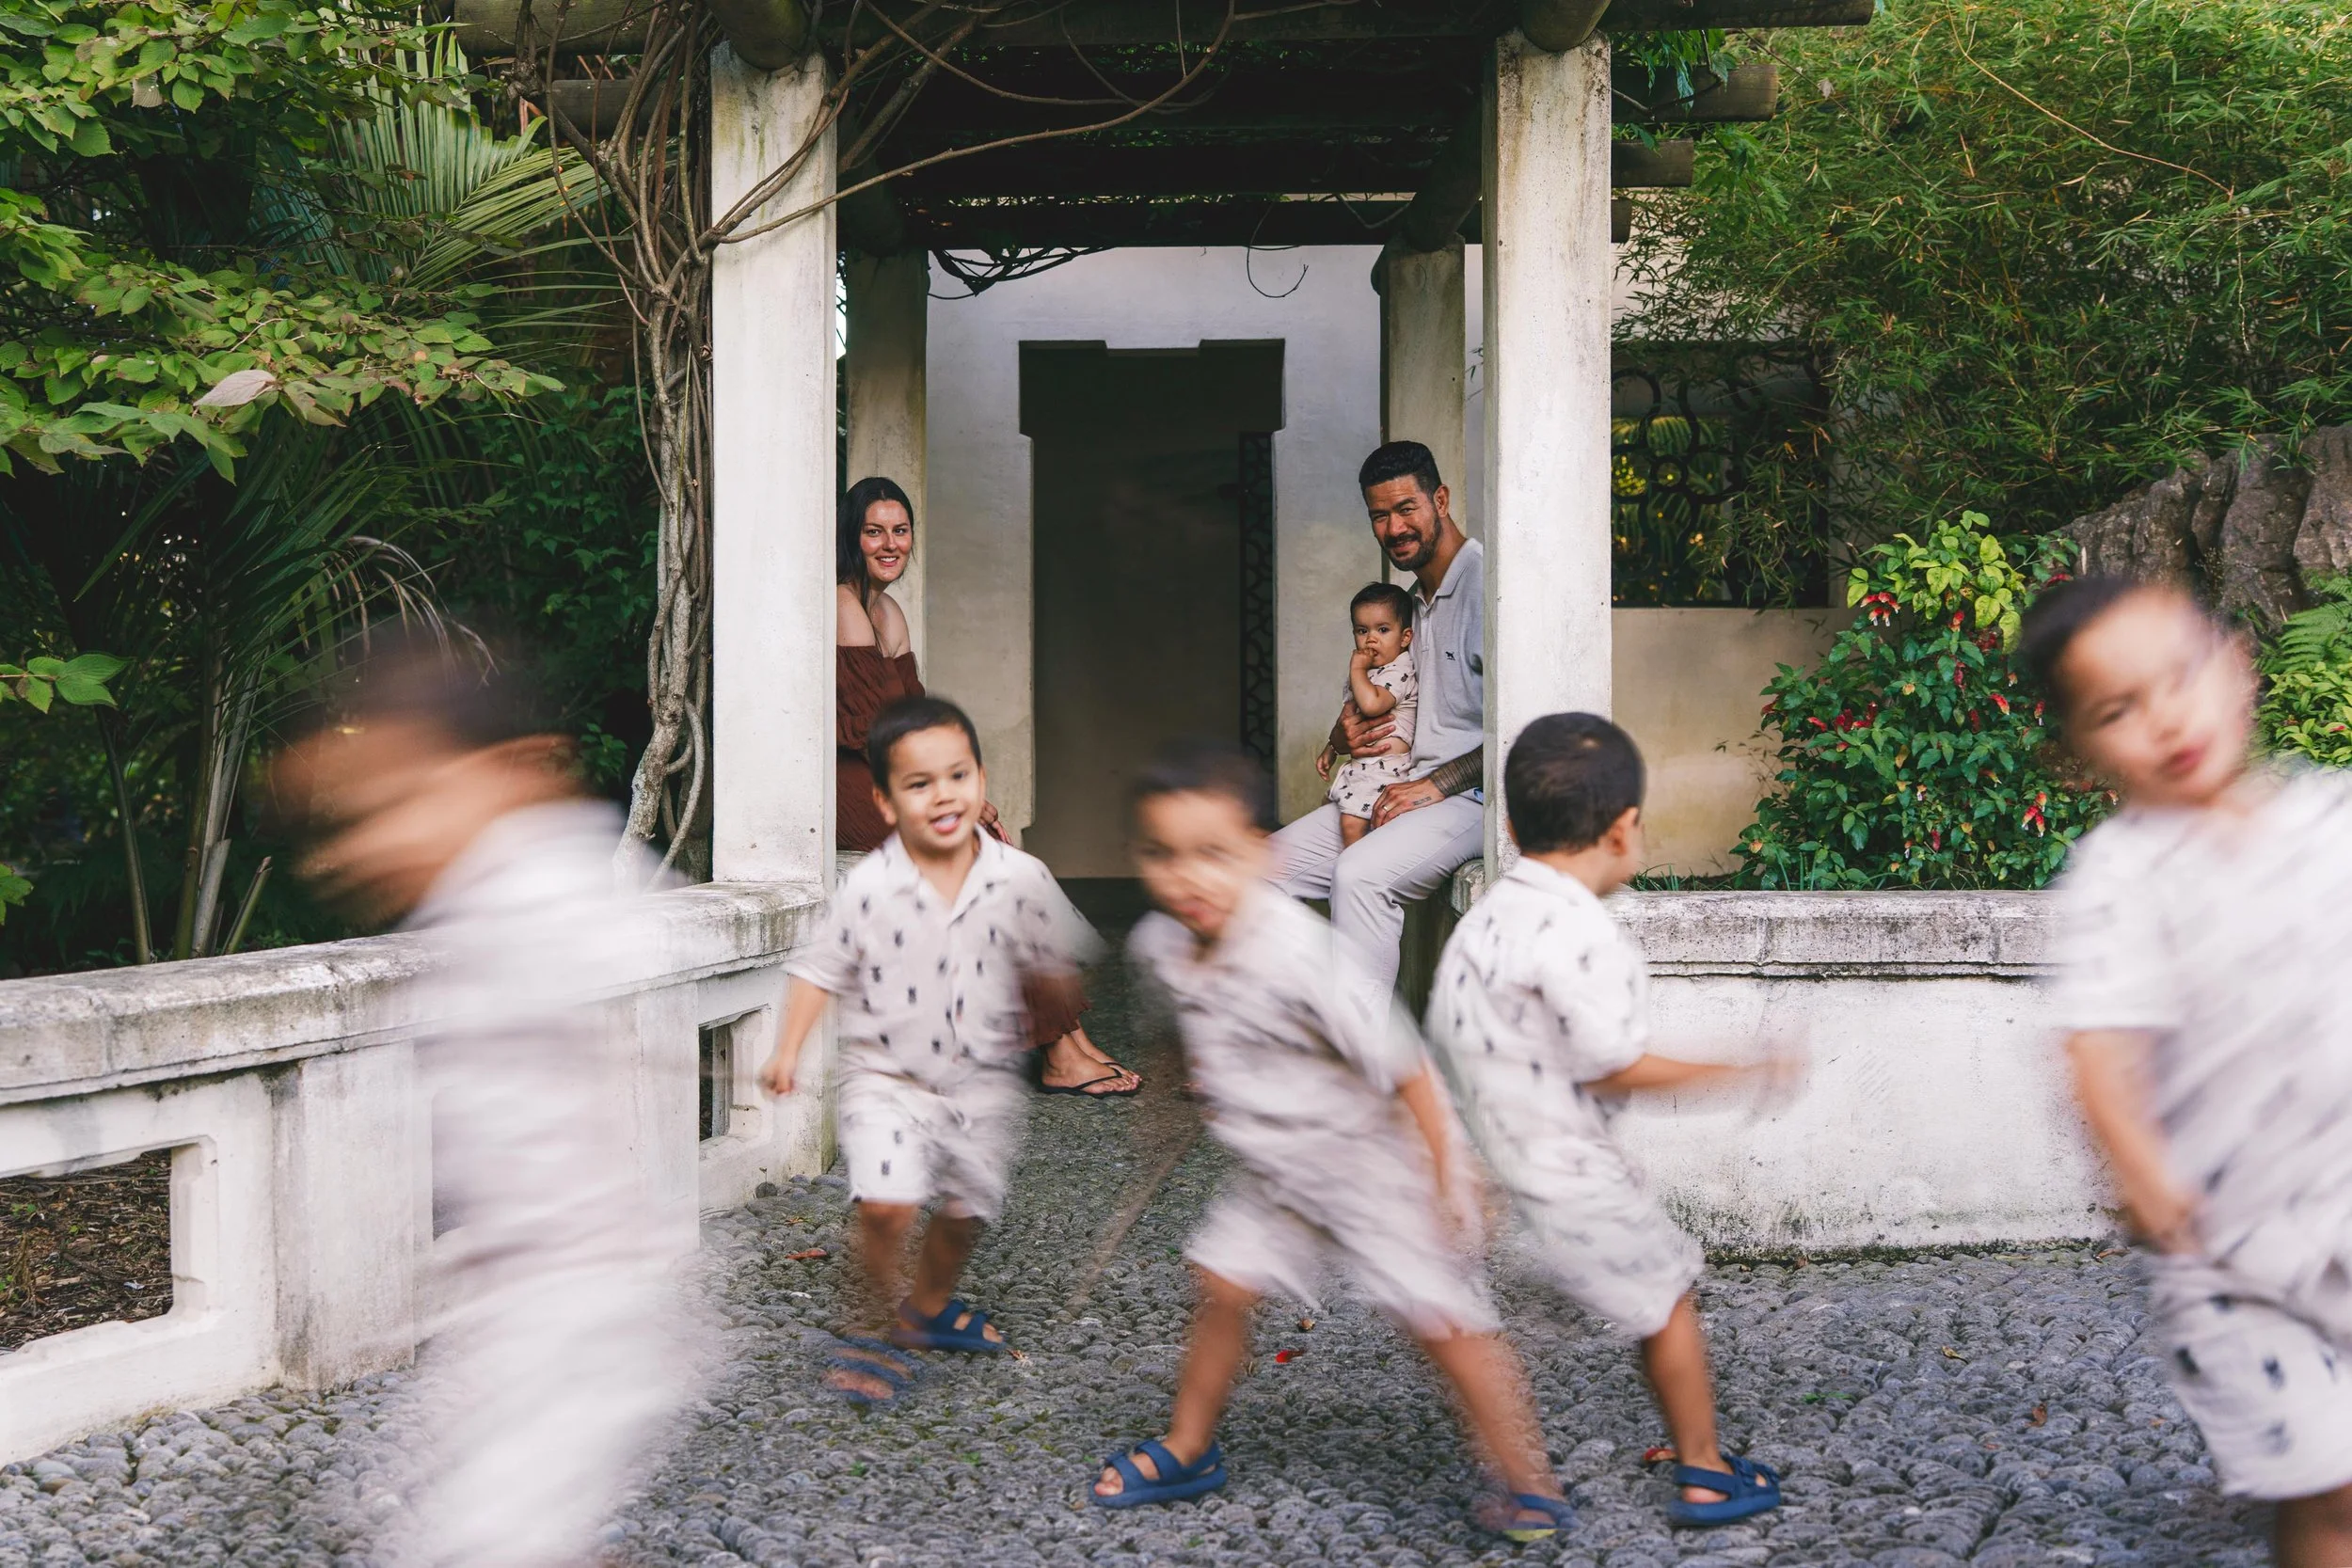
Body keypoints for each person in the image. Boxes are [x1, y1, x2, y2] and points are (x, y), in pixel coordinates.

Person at [272, 637, 691, 1568]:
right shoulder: (476, 899)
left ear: (506, 776)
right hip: (515, 1295)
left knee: (493, 1529)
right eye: (363, 812)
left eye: (405, 800)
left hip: (575, 1298)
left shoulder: (541, 879)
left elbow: (607, 931)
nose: (373, 840)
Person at [1093, 738, 1573, 1543]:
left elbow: (1406, 1065)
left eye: (1213, 853)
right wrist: (1163, 1120)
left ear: (1260, 853)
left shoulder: (1295, 951)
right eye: (1163, 855)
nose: (1188, 877)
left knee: (1441, 1320)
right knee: (1221, 1282)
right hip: (1280, 1170)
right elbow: (1176, 1033)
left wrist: (1453, 1176)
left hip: (1370, 1161)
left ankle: (1530, 1481)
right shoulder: (1162, 944)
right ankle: (1189, 1445)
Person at [2021, 576, 2352, 1568]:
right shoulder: (2122, 875)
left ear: (2239, 665)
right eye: (2117, 709)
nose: (2165, 718)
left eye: (2179, 677)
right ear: (2080, 748)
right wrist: (2137, 1171)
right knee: (2331, 1486)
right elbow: (2095, 1046)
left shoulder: (2330, 818)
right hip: (2228, 1257)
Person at [1428, 713, 1789, 1528]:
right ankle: (1703, 1471)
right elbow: (1613, 1062)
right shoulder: (1584, 932)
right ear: (1625, 830)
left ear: (1513, 825)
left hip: (1493, 1176)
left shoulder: (1480, 922)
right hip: (1571, 1176)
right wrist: (1739, 1070)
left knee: (1487, 1331)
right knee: (1665, 1300)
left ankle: (1523, 1483)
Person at [760, 695, 1097, 1405]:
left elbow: (1055, 961)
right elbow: (819, 970)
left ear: (981, 780)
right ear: (885, 802)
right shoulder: (870, 886)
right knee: (887, 1205)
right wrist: (786, 1050)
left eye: (957, 775)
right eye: (919, 784)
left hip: (981, 1080)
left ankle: (929, 1303)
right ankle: (871, 1327)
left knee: (967, 1208)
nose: (943, 794)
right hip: (885, 1076)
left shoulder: (1020, 876)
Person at [834, 474, 1138, 1099]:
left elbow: (915, 721)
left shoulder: (886, 610)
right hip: (856, 784)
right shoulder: (842, 602)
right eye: (874, 531)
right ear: (852, 537)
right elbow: (871, 733)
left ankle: (1071, 1039)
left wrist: (964, 795)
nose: (890, 543)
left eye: (900, 530)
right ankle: (1060, 1051)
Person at [1274, 441, 1486, 1005]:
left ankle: (1366, 1067)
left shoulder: (1489, 591)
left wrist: (1436, 783)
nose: (1394, 528)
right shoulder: (1410, 605)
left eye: (1406, 509)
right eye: (1379, 515)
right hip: (1393, 789)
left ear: (1439, 500)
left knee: (1360, 876)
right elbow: (1388, 701)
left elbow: (1526, 732)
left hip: (1474, 800)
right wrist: (1343, 737)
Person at [1316, 581, 1420, 848]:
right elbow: (1349, 714)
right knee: (1328, 810)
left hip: (1387, 770)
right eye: (1362, 631)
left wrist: (1356, 671)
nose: (1371, 639)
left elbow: (1373, 705)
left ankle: (1355, 867)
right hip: (1362, 769)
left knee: (1351, 823)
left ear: (1405, 637)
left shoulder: (1401, 669)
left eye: (1383, 630)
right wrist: (1332, 748)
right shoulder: (1369, 672)